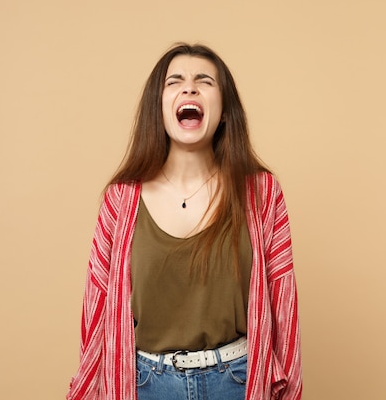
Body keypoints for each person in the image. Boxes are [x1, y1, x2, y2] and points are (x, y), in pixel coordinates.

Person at [66, 43, 302, 400]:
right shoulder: (121, 200)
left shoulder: (261, 193)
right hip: (144, 385)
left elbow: (283, 303)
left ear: (224, 111)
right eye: (174, 81)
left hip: (237, 382)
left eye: (204, 81)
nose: (189, 88)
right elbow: (97, 311)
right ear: (158, 109)